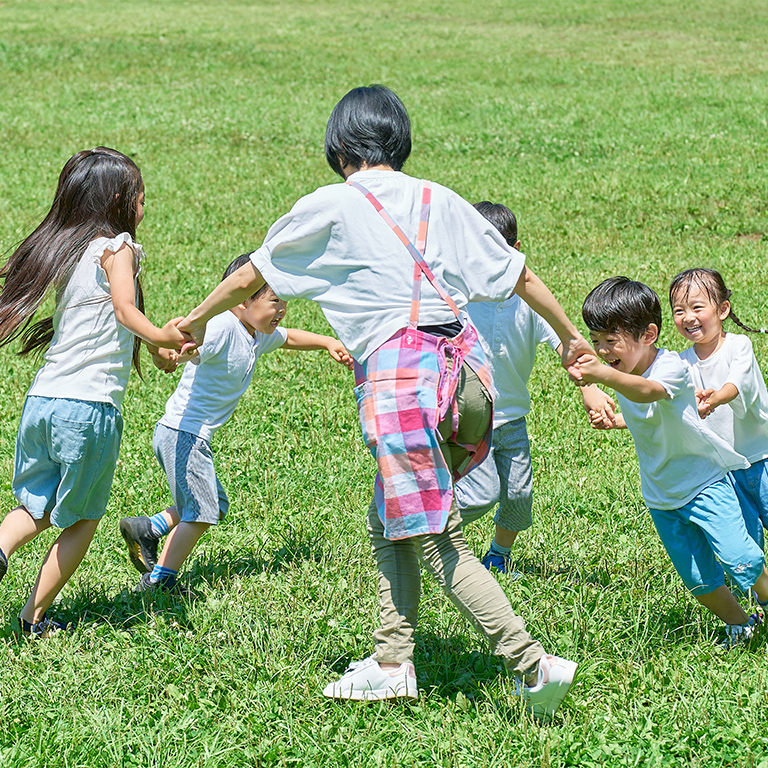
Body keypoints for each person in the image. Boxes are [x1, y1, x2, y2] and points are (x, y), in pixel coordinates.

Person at [177, 86, 591, 718]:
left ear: (338, 145)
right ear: (399, 141)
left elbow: (249, 276)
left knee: (434, 536)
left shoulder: (333, 203)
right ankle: (392, 661)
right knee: (390, 515)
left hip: (404, 384)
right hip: (469, 381)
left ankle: (532, 664)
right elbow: (520, 274)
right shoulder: (438, 197)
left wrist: (195, 320)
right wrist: (569, 337)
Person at [0, 147, 190, 637]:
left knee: (34, 508)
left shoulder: (71, 251)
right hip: (89, 409)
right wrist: (166, 336)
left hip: (44, 401)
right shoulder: (118, 247)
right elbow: (126, 312)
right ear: (122, 199)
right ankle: (33, 619)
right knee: (81, 519)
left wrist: (158, 347)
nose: (145, 205)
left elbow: (111, 324)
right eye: (142, 196)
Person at [118, 254, 353, 592]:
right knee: (201, 511)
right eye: (274, 301)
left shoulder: (255, 333)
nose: (282, 309)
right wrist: (171, 353)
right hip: (184, 433)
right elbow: (187, 344)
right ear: (242, 301)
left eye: (284, 301)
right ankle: (158, 581)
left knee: (214, 504)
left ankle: (149, 529)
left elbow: (289, 337)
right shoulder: (223, 327)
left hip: (189, 435)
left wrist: (328, 342)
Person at [576, 276, 768, 647]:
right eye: (597, 341)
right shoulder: (623, 374)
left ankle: (766, 594)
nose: (602, 351)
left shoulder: (671, 368)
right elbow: (640, 411)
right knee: (700, 581)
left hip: (705, 482)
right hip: (662, 496)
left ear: (648, 335)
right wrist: (605, 409)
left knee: (742, 558)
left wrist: (602, 377)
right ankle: (741, 624)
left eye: (610, 341)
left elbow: (648, 393)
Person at [454, 203, 615, 574]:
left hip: (510, 418)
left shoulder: (532, 304)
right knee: (480, 495)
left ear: (516, 249)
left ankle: (498, 554)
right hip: (467, 419)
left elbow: (568, 348)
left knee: (519, 496)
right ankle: (421, 532)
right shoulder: (457, 300)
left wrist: (589, 388)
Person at [669, 268, 768, 550]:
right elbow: (663, 405)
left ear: (723, 309)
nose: (688, 317)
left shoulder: (739, 346)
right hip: (724, 470)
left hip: (762, 457)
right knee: (745, 543)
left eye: (697, 307)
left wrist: (716, 397)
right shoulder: (680, 363)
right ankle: (757, 593)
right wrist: (618, 419)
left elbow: (736, 384)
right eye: (679, 310)